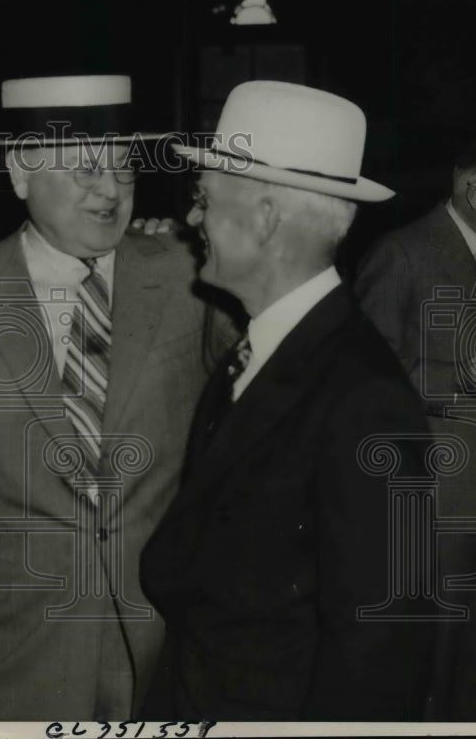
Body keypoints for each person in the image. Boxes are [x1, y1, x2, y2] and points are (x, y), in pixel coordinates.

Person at [0, 75, 231, 721]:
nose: (110, 189)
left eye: (124, 168)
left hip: (172, 646)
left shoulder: (190, 272)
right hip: (12, 653)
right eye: (83, 169)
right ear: (21, 173)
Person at [140, 81, 436, 720]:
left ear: (267, 216)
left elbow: (382, 648)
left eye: (204, 201)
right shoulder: (252, 357)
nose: (194, 220)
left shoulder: (365, 396)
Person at [354, 133, 476, 721]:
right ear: (473, 188)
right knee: (435, 648)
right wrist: (459, 378)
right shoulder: (401, 252)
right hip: (439, 492)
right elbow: (360, 381)